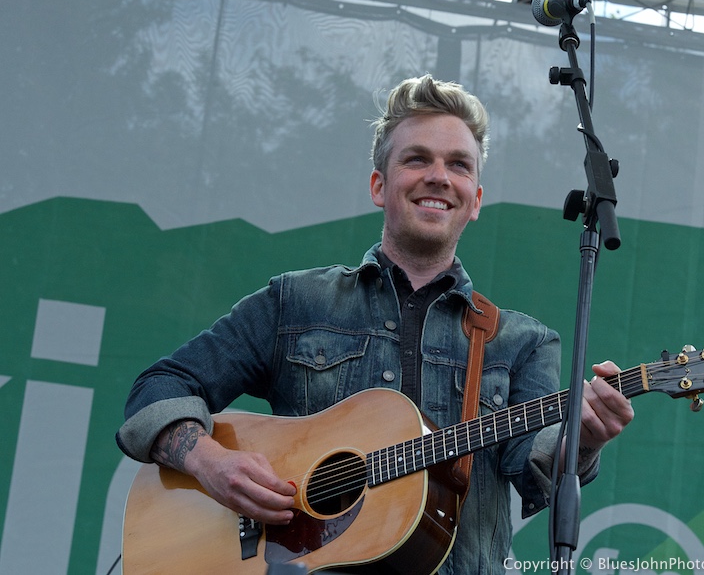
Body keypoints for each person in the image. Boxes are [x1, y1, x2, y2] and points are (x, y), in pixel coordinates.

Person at [117, 75, 634, 574]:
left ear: (475, 200)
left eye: (459, 165)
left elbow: (537, 469)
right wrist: (211, 463)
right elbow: (155, 391)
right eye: (417, 159)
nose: (439, 176)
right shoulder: (295, 302)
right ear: (378, 186)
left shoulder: (521, 342)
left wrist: (583, 440)